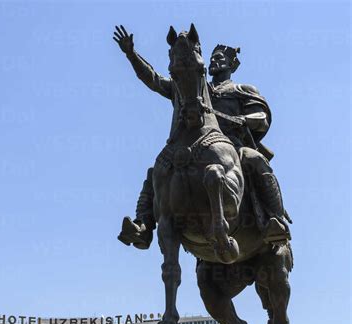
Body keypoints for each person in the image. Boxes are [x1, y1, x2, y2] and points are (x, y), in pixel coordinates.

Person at [113, 25, 291, 249]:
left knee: (255, 159)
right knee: (157, 170)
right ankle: (144, 226)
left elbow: (262, 117)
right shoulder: (194, 86)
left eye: (220, 58)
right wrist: (131, 54)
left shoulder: (241, 89)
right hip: (197, 145)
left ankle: (275, 221)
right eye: (213, 58)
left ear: (232, 64)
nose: (215, 62)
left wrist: (244, 120)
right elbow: (154, 80)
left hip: (232, 149)